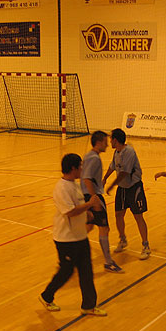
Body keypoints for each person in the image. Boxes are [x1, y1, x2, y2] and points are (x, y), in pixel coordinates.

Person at [39, 153, 107, 317]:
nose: (82, 169)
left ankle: (89, 305)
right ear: (72, 168)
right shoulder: (61, 188)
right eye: (80, 166)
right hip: (66, 239)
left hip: (80, 236)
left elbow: (79, 206)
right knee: (66, 272)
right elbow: (69, 211)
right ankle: (46, 296)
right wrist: (90, 205)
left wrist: (88, 214)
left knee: (86, 271)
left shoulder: (74, 185)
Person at [102, 128, 151, 260]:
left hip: (134, 187)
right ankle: (123, 239)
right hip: (122, 188)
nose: (110, 141)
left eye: (111, 139)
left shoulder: (129, 152)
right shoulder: (116, 152)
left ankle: (145, 245)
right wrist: (105, 178)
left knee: (138, 216)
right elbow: (113, 166)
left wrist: (111, 185)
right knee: (118, 214)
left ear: (115, 140)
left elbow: (124, 173)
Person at [81, 131, 124, 273]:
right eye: (105, 141)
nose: (107, 144)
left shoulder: (89, 156)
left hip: (87, 196)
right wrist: (94, 199)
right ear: (99, 142)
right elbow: (86, 179)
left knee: (88, 227)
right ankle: (108, 262)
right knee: (104, 228)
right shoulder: (94, 158)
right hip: (93, 197)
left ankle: (72, 254)